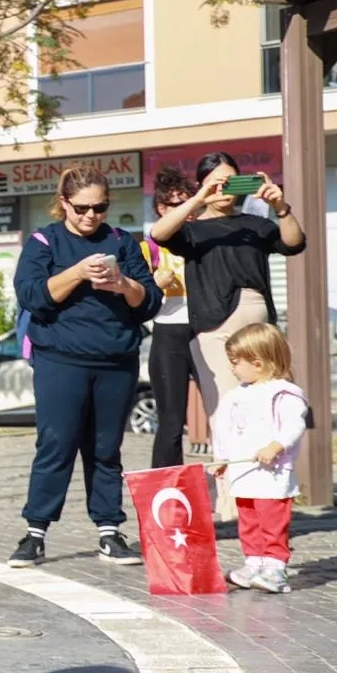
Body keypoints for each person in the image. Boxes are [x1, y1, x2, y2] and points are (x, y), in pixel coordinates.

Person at [9, 163, 163, 568]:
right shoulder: (44, 241)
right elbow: (32, 296)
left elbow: (149, 301)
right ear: (64, 204)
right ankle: (35, 532)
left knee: (105, 449)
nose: (91, 215)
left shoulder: (122, 242)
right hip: (61, 360)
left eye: (100, 207)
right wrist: (76, 272)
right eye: (82, 208)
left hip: (116, 360)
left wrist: (123, 285)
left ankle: (110, 531)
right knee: (56, 444)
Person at [148, 151, 306, 421]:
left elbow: (294, 243)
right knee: (224, 408)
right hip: (212, 324)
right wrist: (197, 200)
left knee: (265, 405)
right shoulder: (192, 230)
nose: (223, 189)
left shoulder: (254, 224)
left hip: (257, 328)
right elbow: (159, 233)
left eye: (231, 182)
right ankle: (227, 462)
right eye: (215, 182)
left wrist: (281, 207)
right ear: (202, 184)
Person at [208, 323, 308, 594]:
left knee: (272, 522)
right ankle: (253, 562)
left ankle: (275, 568)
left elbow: (294, 425)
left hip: (271, 474)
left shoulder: (283, 393)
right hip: (244, 474)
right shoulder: (236, 395)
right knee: (249, 520)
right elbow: (224, 428)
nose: (233, 368)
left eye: (236, 362)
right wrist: (222, 458)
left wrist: (276, 445)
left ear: (258, 362)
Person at [142, 166, 197, 468]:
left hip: (206, 330)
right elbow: (135, 295)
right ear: (162, 209)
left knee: (225, 415)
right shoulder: (149, 244)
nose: (186, 211)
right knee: (171, 422)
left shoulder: (202, 234)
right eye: (177, 205)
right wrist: (154, 284)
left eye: (189, 202)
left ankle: (233, 493)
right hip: (168, 332)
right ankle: (165, 496)